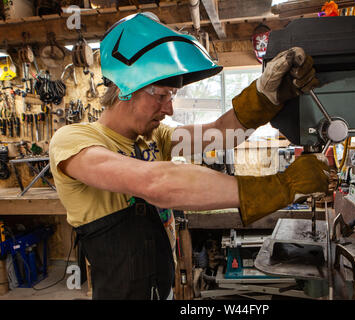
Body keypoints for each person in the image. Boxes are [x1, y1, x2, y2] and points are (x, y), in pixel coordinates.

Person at [49, 12, 329, 300]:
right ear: (125, 88)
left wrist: (267, 96)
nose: (169, 109)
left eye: (172, 96)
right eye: (161, 96)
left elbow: (222, 132)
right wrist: (283, 186)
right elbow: (157, 184)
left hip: (162, 288)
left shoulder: (156, 136)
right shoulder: (74, 141)